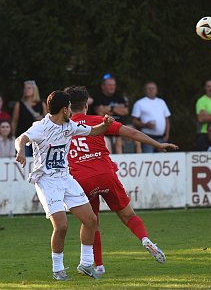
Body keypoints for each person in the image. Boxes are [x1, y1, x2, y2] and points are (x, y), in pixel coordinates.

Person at [65, 86, 178, 274]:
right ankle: (145, 239)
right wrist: (158, 144)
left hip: (82, 180)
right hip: (105, 174)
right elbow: (132, 133)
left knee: (91, 223)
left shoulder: (62, 127)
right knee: (129, 216)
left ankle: (98, 267)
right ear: (86, 105)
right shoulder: (97, 121)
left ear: (68, 107)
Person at [15, 90, 115, 280]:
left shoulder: (70, 126)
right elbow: (22, 138)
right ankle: (58, 269)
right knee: (61, 226)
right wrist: (20, 150)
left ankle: (86, 264)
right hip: (46, 180)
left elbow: (94, 132)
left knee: (91, 220)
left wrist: (105, 124)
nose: (71, 110)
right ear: (64, 109)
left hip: (66, 178)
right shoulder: (41, 127)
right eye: (69, 107)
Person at [93, 74, 129, 153]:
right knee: (108, 143)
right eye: (109, 85)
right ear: (103, 86)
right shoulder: (98, 97)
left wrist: (110, 108)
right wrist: (117, 108)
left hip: (119, 127)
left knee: (121, 140)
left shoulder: (119, 97)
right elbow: (99, 111)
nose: (112, 87)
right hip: (105, 128)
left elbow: (125, 111)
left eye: (113, 85)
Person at [131, 81, 171, 153]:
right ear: (145, 90)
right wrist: (145, 125)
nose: (151, 90)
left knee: (162, 159)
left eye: (153, 88)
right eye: (149, 88)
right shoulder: (139, 103)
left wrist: (167, 135)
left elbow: (167, 119)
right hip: (147, 138)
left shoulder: (161, 102)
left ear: (156, 90)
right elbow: (134, 121)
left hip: (161, 138)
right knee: (148, 158)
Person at [11, 80, 47, 156]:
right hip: (23, 137)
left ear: (34, 90)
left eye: (29, 88)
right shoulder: (19, 104)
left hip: (38, 138)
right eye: (25, 88)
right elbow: (14, 121)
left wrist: (41, 119)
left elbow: (47, 121)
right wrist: (12, 136)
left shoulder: (42, 104)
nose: (26, 90)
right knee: (25, 160)